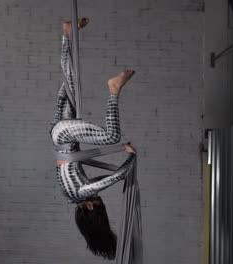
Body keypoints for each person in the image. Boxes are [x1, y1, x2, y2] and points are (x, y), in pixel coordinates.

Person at [48, 17, 137, 260]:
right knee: (69, 80)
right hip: (56, 133)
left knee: (112, 136)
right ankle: (67, 33)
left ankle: (114, 90)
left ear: (88, 207)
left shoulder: (82, 192)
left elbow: (117, 176)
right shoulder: (73, 195)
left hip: (64, 135)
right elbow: (102, 179)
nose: (98, 199)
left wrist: (130, 157)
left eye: (98, 203)